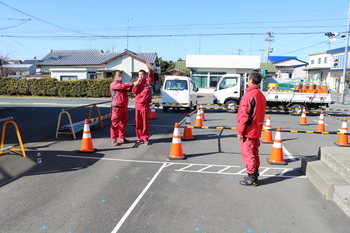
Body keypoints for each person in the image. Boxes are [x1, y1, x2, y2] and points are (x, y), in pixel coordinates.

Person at [236, 72, 266, 186]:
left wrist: (240, 131)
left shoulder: (248, 95)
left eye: (248, 79)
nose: (247, 81)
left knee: (248, 155)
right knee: (254, 153)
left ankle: (251, 177)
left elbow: (244, 115)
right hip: (256, 129)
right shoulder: (260, 94)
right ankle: (255, 175)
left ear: (251, 80)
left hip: (248, 130)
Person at [132, 61, 154, 145]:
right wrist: (137, 83)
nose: (140, 76)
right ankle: (139, 137)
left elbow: (151, 76)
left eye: (142, 74)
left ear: (145, 75)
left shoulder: (147, 83)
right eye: (139, 74)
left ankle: (145, 138)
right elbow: (134, 91)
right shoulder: (137, 83)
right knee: (138, 122)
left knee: (145, 122)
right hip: (138, 105)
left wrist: (149, 69)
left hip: (145, 105)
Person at [110, 70, 134, 146]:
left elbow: (129, 89)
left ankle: (122, 137)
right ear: (114, 76)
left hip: (124, 106)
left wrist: (136, 86)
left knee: (123, 123)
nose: (120, 76)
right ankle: (113, 139)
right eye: (118, 75)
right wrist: (133, 83)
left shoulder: (121, 84)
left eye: (120, 75)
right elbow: (123, 86)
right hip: (116, 106)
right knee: (115, 124)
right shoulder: (114, 84)